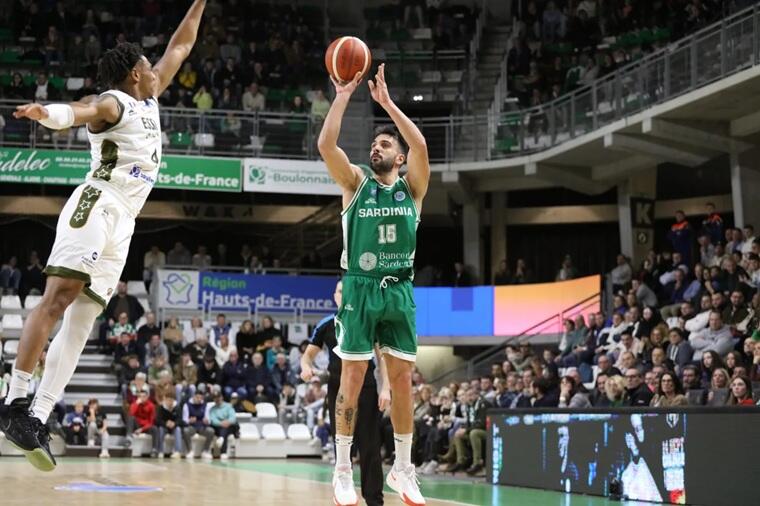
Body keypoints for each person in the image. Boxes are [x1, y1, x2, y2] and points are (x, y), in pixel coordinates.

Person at [0, 0, 207, 472]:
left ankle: (38, 416)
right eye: (148, 67)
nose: (156, 71)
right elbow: (84, 109)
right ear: (135, 73)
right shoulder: (116, 101)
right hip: (99, 201)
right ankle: (14, 401)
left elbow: (181, 46)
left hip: (125, 219)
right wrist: (49, 113)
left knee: (83, 320)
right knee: (58, 298)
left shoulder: (149, 99)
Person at [318, 63, 430, 506]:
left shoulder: (413, 189)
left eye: (384, 144)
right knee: (353, 376)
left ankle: (403, 468)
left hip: (400, 288)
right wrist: (343, 96)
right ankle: (342, 468)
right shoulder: (355, 182)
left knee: (402, 380)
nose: (375, 147)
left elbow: (420, 145)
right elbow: (326, 145)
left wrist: (387, 104)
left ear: (399, 158)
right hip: (361, 287)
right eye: (374, 143)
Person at [301, 280, 391, 506]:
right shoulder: (326, 324)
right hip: (337, 388)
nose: (344, 295)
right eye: (341, 291)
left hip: (366, 387)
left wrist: (385, 388)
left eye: (348, 291)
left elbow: (382, 358)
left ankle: (375, 501)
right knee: (342, 443)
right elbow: (307, 356)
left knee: (370, 446)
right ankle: (343, 494)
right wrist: (305, 367)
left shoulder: (368, 320)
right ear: (335, 296)